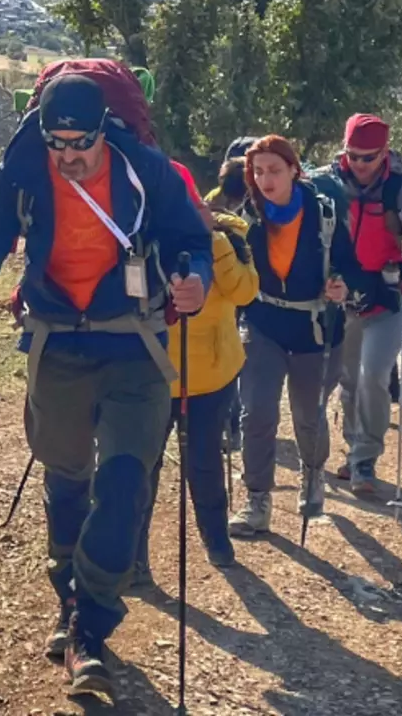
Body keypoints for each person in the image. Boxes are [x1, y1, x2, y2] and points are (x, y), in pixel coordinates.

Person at [0, 74, 211, 701]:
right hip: (57, 340)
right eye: (57, 144)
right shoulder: (21, 165)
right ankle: (68, 595)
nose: (69, 156)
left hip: (134, 346)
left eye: (80, 144)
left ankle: (89, 629)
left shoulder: (145, 169)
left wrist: (193, 278)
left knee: (124, 480)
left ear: (102, 133)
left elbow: (190, 241)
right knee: (65, 478)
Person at [312, 114, 402, 501]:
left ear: (384, 153)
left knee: (373, 374)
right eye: (352, 155)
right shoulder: (326, 183)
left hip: (390, 296)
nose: (358, 164)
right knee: (348, 378)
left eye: (367, 158)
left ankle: (365, 459)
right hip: (344, 297)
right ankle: (355, 447)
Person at [228, 135, 354, 534]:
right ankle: (257, 499)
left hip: (315, 329)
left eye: (274, 170)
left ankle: (313, 472)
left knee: (308, 415)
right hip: (263, 324)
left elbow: (351, 264)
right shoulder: (247, 219)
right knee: (258, 413)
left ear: (294, 171)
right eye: (258, 171)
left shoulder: (325, 214)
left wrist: (341, 284)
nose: (266, 179)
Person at [132, 200, 258, 577]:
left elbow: (246, 292)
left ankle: (217, 540)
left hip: (210, 378)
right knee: (141, 468)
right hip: (149, 375)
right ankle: (135, 558)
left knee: (203, 464)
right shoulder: (135, 239)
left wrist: (212, 243)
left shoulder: (230, 238)